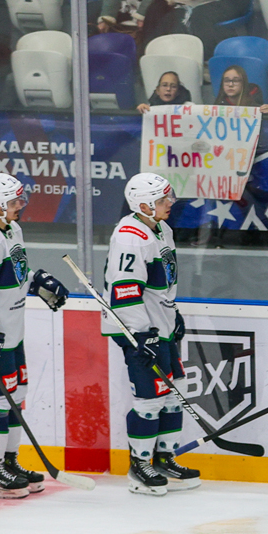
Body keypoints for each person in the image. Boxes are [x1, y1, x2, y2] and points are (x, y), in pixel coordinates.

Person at [0, 174, 68, 498]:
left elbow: (12, 273)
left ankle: (9, 462)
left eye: (21, 199)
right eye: (14, 201)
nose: (21, 205)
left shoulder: (10, 229)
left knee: (16, 395)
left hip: (11, 332)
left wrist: (36, 281)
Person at [102, 173, 199, 495]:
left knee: (173, 393)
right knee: (149, 398)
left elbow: (162, 284)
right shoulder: (130, 237)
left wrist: (173, 313)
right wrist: (142, 334)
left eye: (168, 197)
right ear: (143, 205)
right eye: (161, 200)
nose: (169, 203)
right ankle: (139, 465)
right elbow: (125, 292)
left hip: (160, 325)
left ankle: (164, 458)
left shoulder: (161, 228)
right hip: (138, 329)